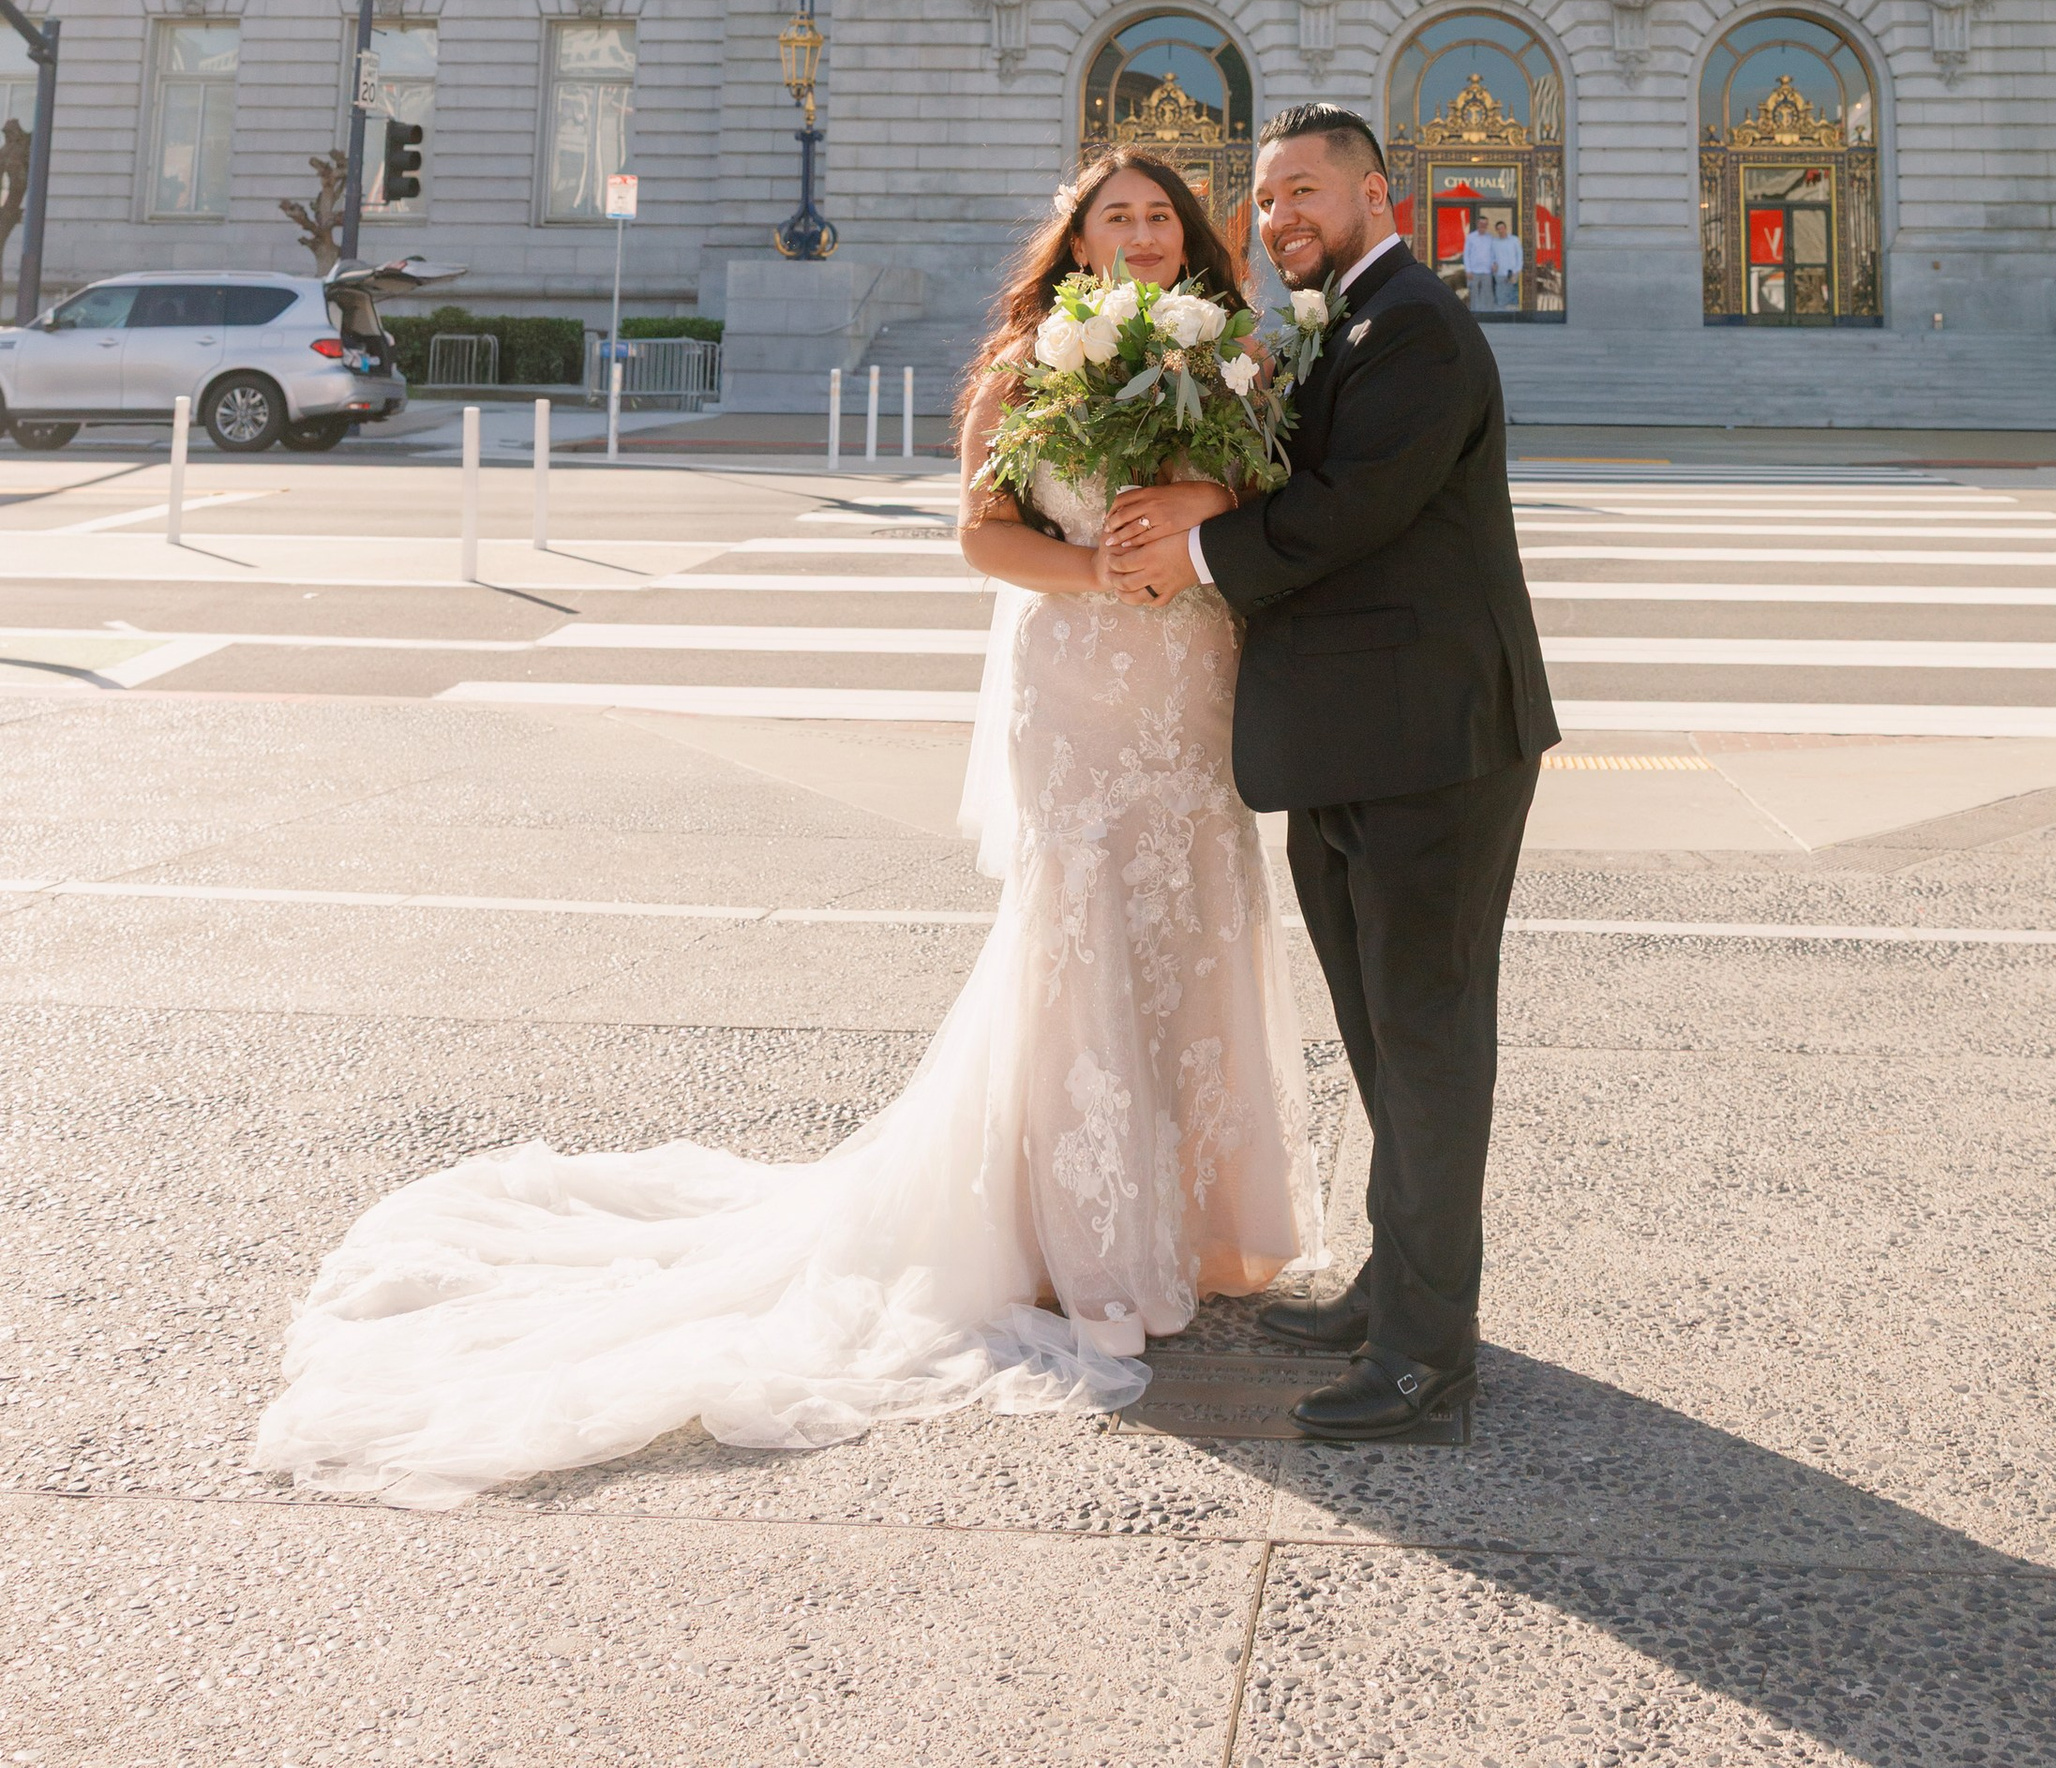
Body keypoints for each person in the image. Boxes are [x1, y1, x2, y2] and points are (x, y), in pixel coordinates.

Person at [251, 146, 1314, 1510]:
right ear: (1077, 240)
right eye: (1119, 215)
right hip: (1089, 685)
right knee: (1084, 934)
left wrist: (1205, 530)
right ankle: (1081, 1240)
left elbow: (1262, 507)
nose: (1145, 233)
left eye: (1161, 216)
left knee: (1197, 927)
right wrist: (1102, 573)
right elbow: (982, 536)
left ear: (1189, 242)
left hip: (1192, 688)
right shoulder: (1023, 363)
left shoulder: (1233, 357)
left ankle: (1205, 1221)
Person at [1104, 104, 1558, 1440]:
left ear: (1378, 193)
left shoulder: (1412, 323)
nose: (1283, 216)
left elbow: (1351, 509)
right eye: (1267, 198)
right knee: (1381, 1040)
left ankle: (1428, 1365)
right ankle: (1397, 1288)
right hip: (1354, 738)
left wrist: (1196, 537)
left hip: (1435, 748)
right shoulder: (1335, 321)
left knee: (1427, 1048)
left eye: (1306, 191)